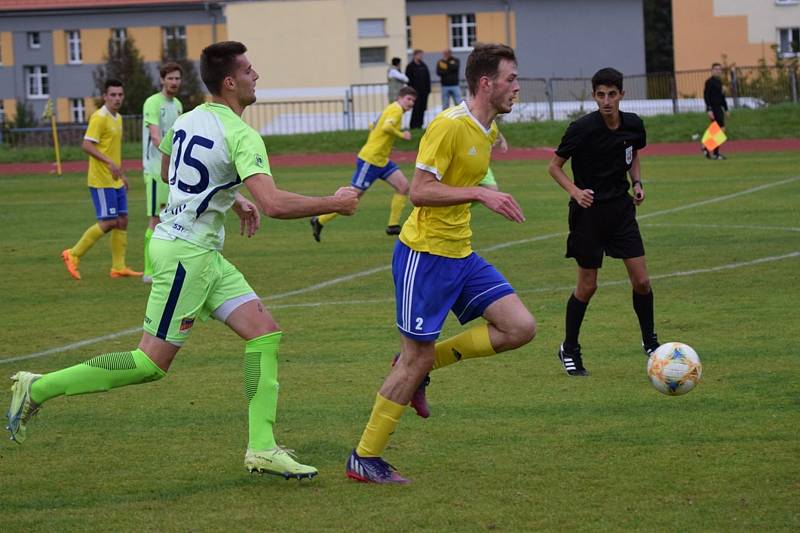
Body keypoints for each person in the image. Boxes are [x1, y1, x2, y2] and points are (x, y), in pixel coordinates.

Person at [8, 41, 359, 480]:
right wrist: (334, 202)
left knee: (264, 333)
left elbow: (174, 169)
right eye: (250, 70)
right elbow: (273, 204)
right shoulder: (242, 133)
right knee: (149, 364)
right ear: (230, 82)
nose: (257, 76)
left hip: (199, 251)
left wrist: (232, 201)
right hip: (186, 254)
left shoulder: (189, 118)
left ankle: (262, 448)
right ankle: (37, 387)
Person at [345, 43, 536, 484]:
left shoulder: (485, 128)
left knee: (519, 327)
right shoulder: (447, 126)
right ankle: (364, 457)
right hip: (425, 256)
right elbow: (419, 191)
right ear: (486, 83)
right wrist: (481, 193)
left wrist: (489, 165)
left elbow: (470, 162)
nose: (517, 86)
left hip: (461, 255)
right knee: (414, 361)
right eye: (511, 78)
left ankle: (421, 366)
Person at [548, 67, 660, 377]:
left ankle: (651, 343)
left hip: (621, 212)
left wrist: (637, 182)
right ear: (594, 96)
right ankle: (569, 348)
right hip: (589, 215)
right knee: (588, 286)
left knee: (642, 281)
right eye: (600, 95)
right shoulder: (582, 129)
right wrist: (575, 191)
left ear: (622, 95)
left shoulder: (634, 124)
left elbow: (632, 153)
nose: (606, 101)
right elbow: (554, 167)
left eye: (612, 94)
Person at [310, 86, 417, 241]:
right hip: (370, 160)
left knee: (403, 186)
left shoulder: (391, 108)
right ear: (400, 98)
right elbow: (387, 127)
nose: (411, 103)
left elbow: (373, 126)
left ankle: (393, 225)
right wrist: (402, 135)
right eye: (408, 99)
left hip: (382, 160)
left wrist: (385, 144)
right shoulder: (397, 110)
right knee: (352, 197)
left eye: (413, 100)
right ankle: (319, 220)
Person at [61, 79, 141, 281]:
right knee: (109, 222)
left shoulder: (118, 118)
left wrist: (122, 175)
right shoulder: (99, 117)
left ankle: (118, 267)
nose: (117, 98)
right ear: (105, 96)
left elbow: (113, 152)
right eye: (112, 95)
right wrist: (108, 163)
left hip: (114, 180)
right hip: (101, 180)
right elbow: (87, 145)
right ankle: (73, 254)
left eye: (120, 95)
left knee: (122, 221)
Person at [142, 62, 184, 283]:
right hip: (156, 171)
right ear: (162, 80)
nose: (174, 82)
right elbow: (157, 137)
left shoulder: (177, 104)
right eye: (170, 78)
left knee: (172, 218)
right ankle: (149, 271)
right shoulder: (153, 103)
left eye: (177, 79)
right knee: (155, 220)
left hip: (173, 172)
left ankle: (166, 266)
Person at [703, 62, 729, 160]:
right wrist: (709, 109)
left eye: (719, 69)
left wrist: (726, 109)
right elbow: (706, 96)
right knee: (720, 129)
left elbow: (722, 98)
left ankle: (707, 148)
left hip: (719, 108)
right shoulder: (709, 82)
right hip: (713, 108)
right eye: (716, 69)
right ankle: (714, 152)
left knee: (715, 130)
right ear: (712, 71)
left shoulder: (719, 82)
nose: (718, 71)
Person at [405, 49, 431, 129]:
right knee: (416, 108)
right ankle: (413, 125)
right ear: (415, 55)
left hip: (424, 91)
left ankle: (420, 124)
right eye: (419, 55)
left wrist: (428, 89)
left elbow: (427, 78)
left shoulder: (424, 65)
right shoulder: (410, 66)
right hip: (415, 92)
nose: (421, 56)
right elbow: (408, 79)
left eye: (421, 55)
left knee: (422, 108)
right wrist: (411, 91)